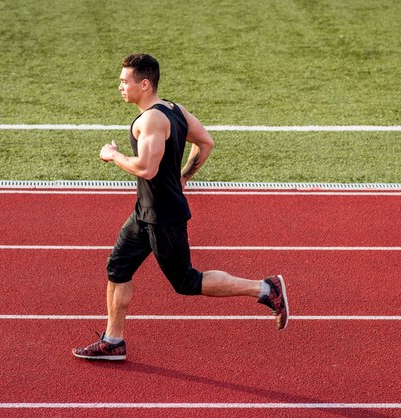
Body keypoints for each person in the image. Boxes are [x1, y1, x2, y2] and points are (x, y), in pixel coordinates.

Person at [72, 53, 288, 361]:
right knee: (118, 267)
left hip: (163, 217)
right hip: (144, 213)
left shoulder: (151, 120)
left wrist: (112, 155)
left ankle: (265, 289)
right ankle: (113, 340)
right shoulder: (174, 110)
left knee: (186, 282)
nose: (120, 86)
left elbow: (146, 169)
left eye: (124, 81)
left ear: (144, 84)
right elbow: (206, 142)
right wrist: (183, 176)